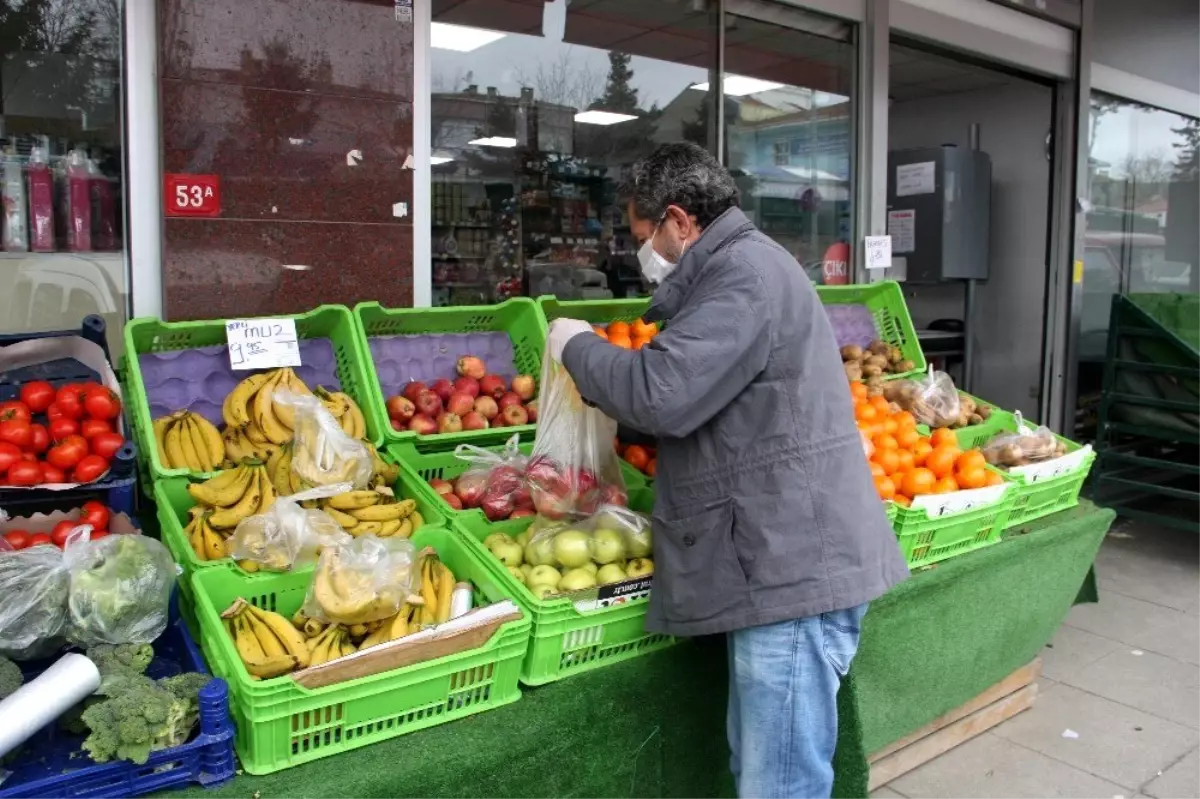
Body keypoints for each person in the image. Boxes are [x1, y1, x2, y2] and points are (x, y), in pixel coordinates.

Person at [546, 142, 909, 798]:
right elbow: (703, 403)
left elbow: (661, 390)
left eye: (641, 235)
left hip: (791, 567)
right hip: (783, 556)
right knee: (765, 770)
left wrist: (574, 345)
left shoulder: (742, 277)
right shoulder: (743, 269)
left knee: (780, 782)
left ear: (679, 222)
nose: (640, 252)